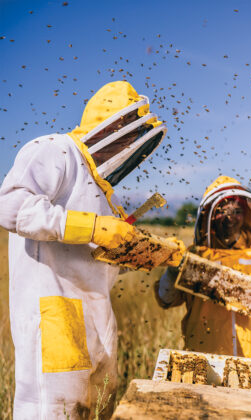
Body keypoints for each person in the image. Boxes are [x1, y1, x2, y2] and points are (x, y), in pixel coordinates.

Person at [0, 81, 182, 419]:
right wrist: (95, 227)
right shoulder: (55, 150)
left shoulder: (103, 192)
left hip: (98, 328)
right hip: (56, 323)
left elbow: (97, 262)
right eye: (127, 135)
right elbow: (11, 206)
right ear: (112, 124)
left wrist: (151, 253)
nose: (128, 145)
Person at [156, 175, 251, 360]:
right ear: (208, 215)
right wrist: (171, 273)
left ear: (247, 214)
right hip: (205, 359)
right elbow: (165, 299)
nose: (229, 218)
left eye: (236, 211)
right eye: (221, 211)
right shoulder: (195, 255)